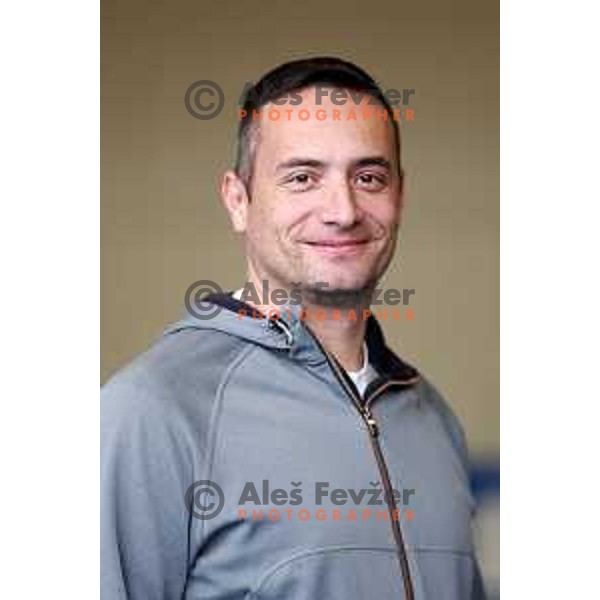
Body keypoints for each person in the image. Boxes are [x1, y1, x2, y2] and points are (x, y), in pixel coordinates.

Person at [101, 57, 486, 599]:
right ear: (238, 200)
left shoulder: (432, 417)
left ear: (400, 193)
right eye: (303, 177)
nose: (343, 210)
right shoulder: (152, 410)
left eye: (369, 177)